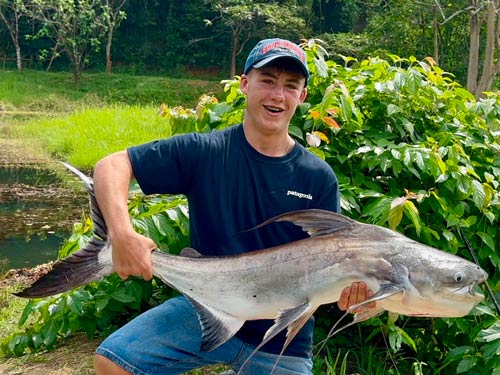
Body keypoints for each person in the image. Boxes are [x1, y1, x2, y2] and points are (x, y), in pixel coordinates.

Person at [93, 38, 373, 375]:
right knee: (113, 361)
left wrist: (362, 299)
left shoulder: (317, 178)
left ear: (302, 97)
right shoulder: (205, 152)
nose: (277, 95)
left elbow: (337, 261)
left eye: (290, 86)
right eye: (267, 81)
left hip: (281, 338)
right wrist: (121, 234)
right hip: (206, 305)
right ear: (245, 84)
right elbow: (111, 166)